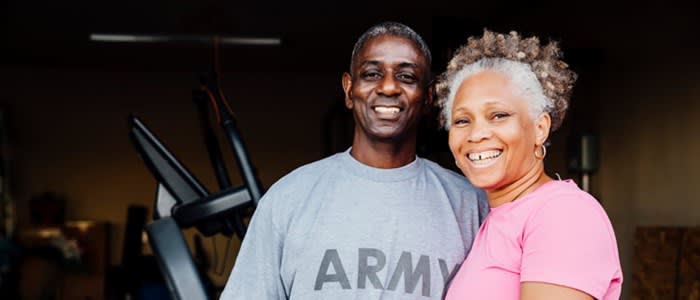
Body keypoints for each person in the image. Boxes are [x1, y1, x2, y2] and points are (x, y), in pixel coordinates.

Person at [220, 22, 488, 299]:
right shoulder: (287, 199)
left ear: (428, 97)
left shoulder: (470, 206)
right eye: (372, 74)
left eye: (407, 77)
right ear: (349, 90)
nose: (388, 87)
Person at [437, 30, 623, 299]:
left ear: (539, 128)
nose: (476, 134)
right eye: (462, 121)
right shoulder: (493, 219)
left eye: (498, 115)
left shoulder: (564, 212)